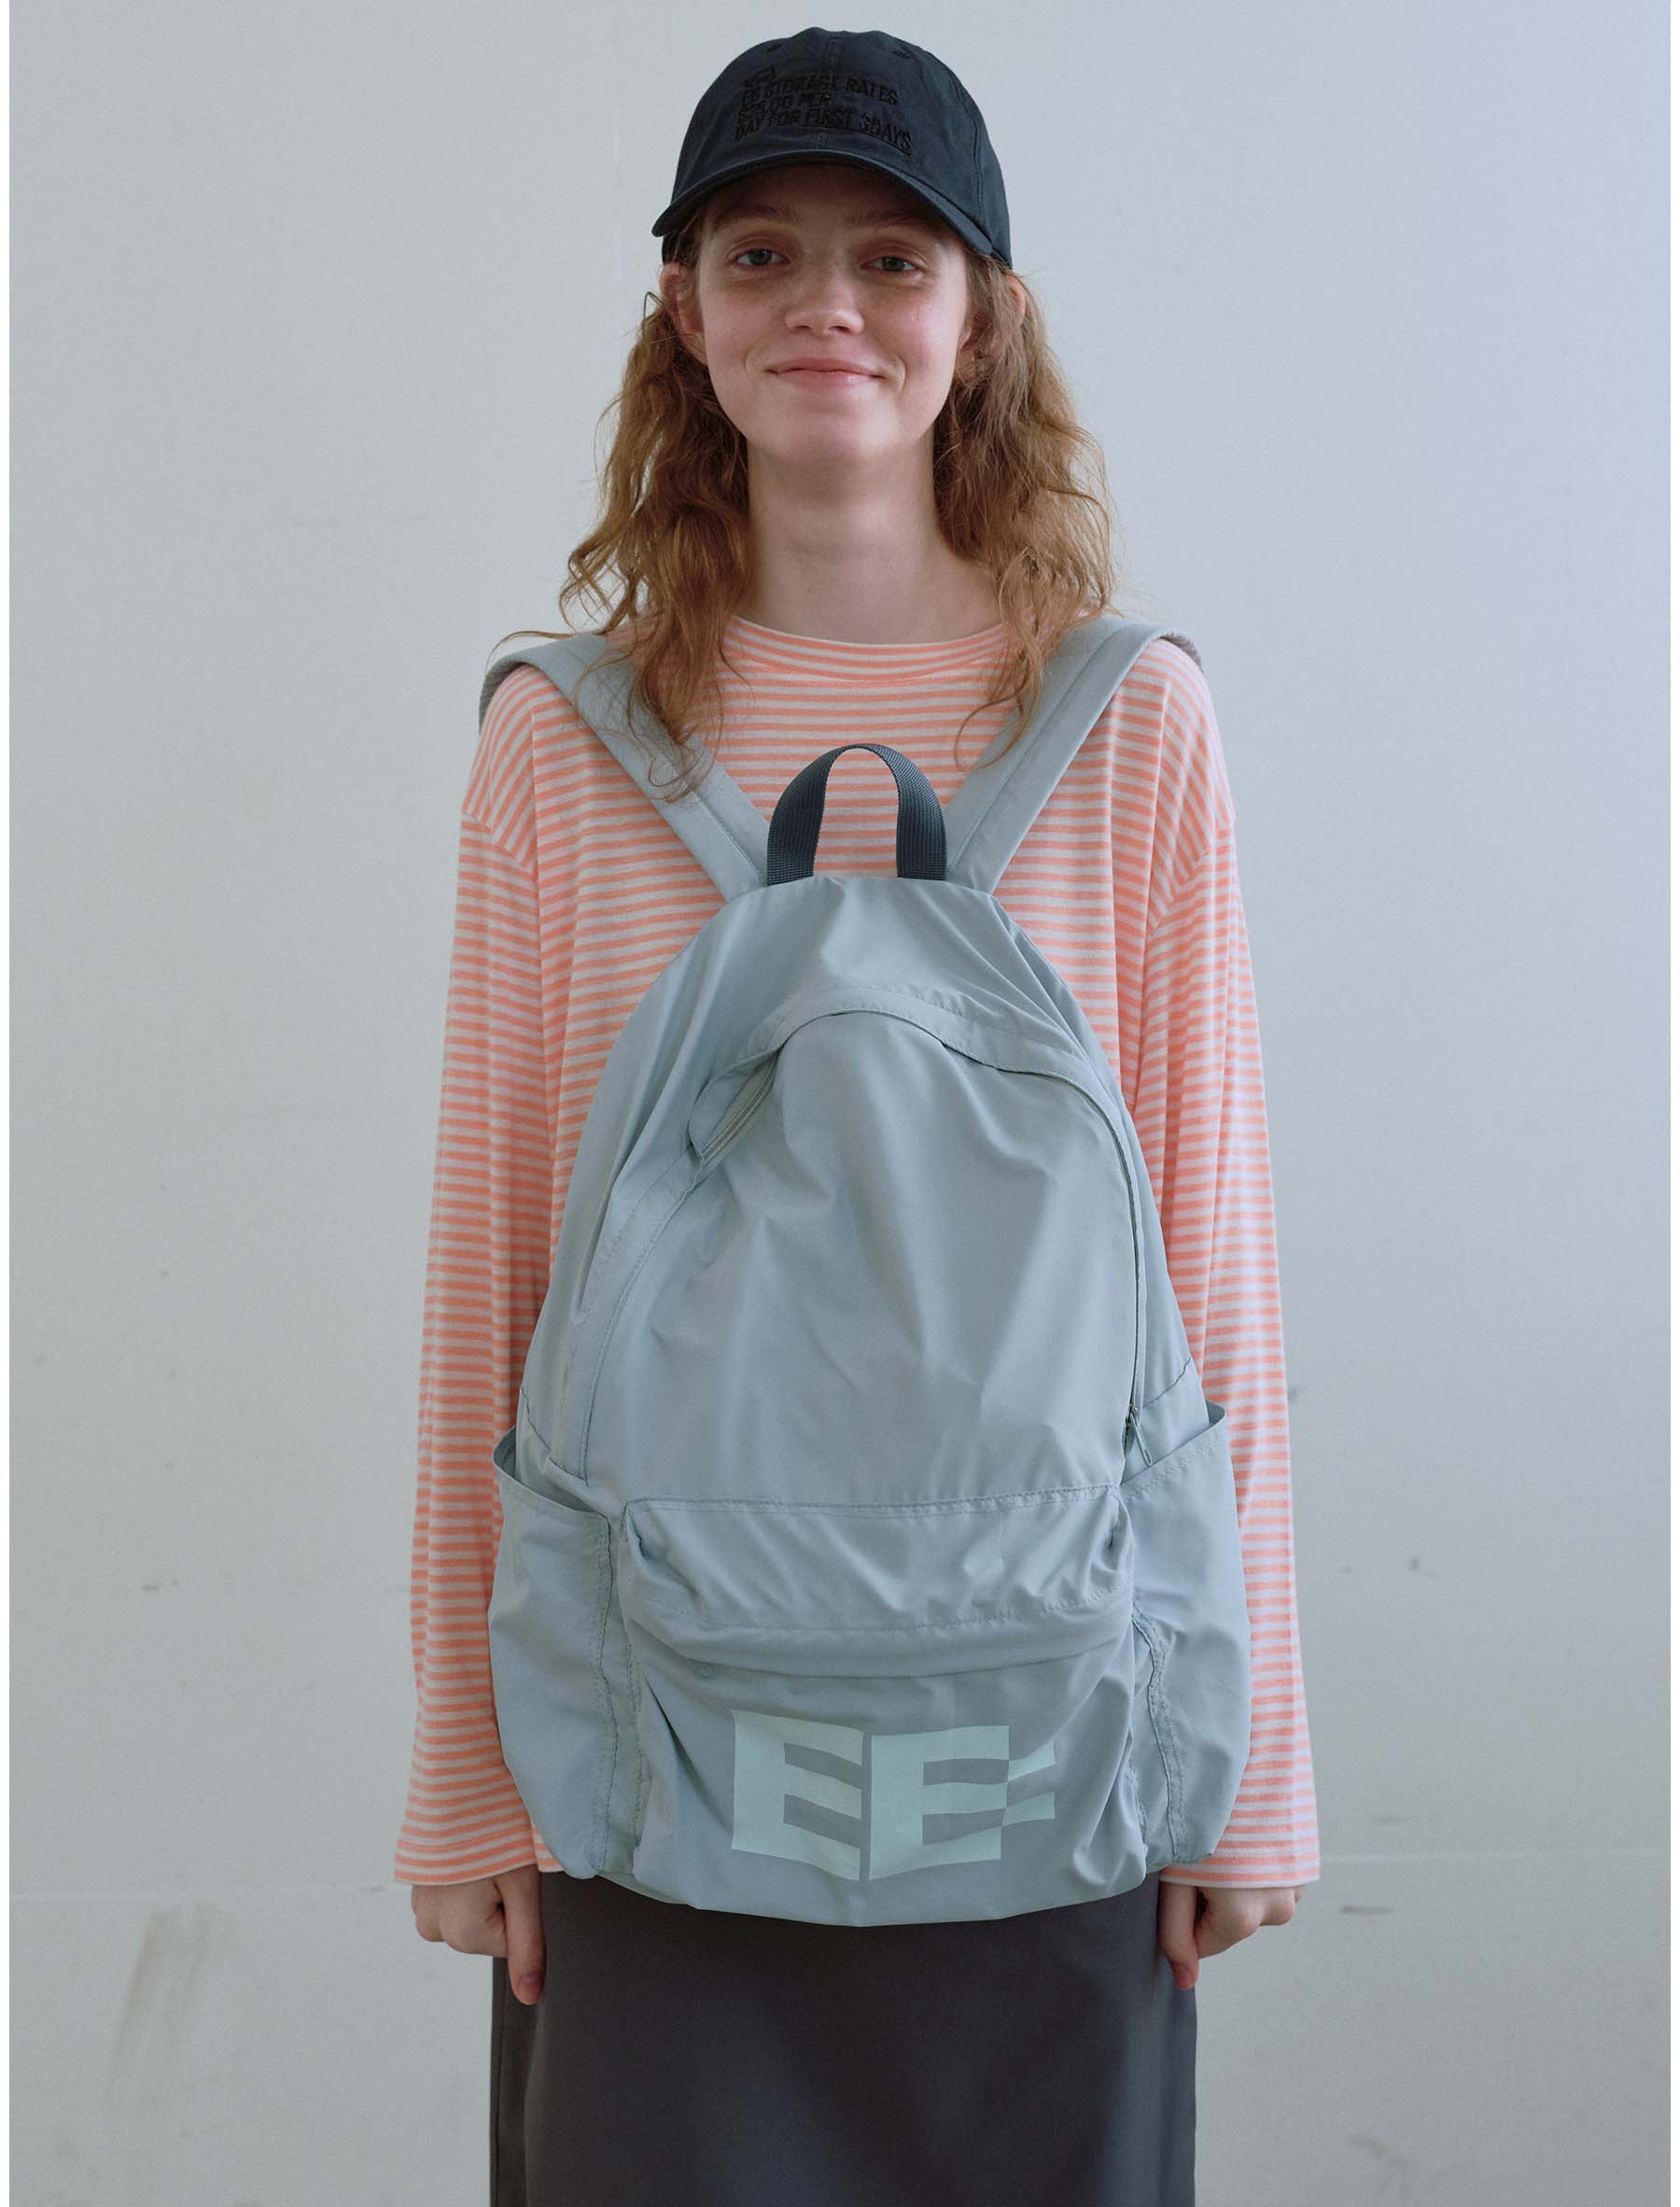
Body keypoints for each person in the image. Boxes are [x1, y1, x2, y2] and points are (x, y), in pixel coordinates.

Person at [397, 30, 1320, 2205]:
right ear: (685, 310)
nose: (829, 303)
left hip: (1059, 1709)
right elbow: (493, 1269)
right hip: (653, 1722)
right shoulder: (560, 743)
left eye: (894, 258)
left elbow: (1210, 1253)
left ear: (981, 318)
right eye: (763, 252)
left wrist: (1254, 1756)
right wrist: (463, 1775)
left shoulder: (1130, 723)